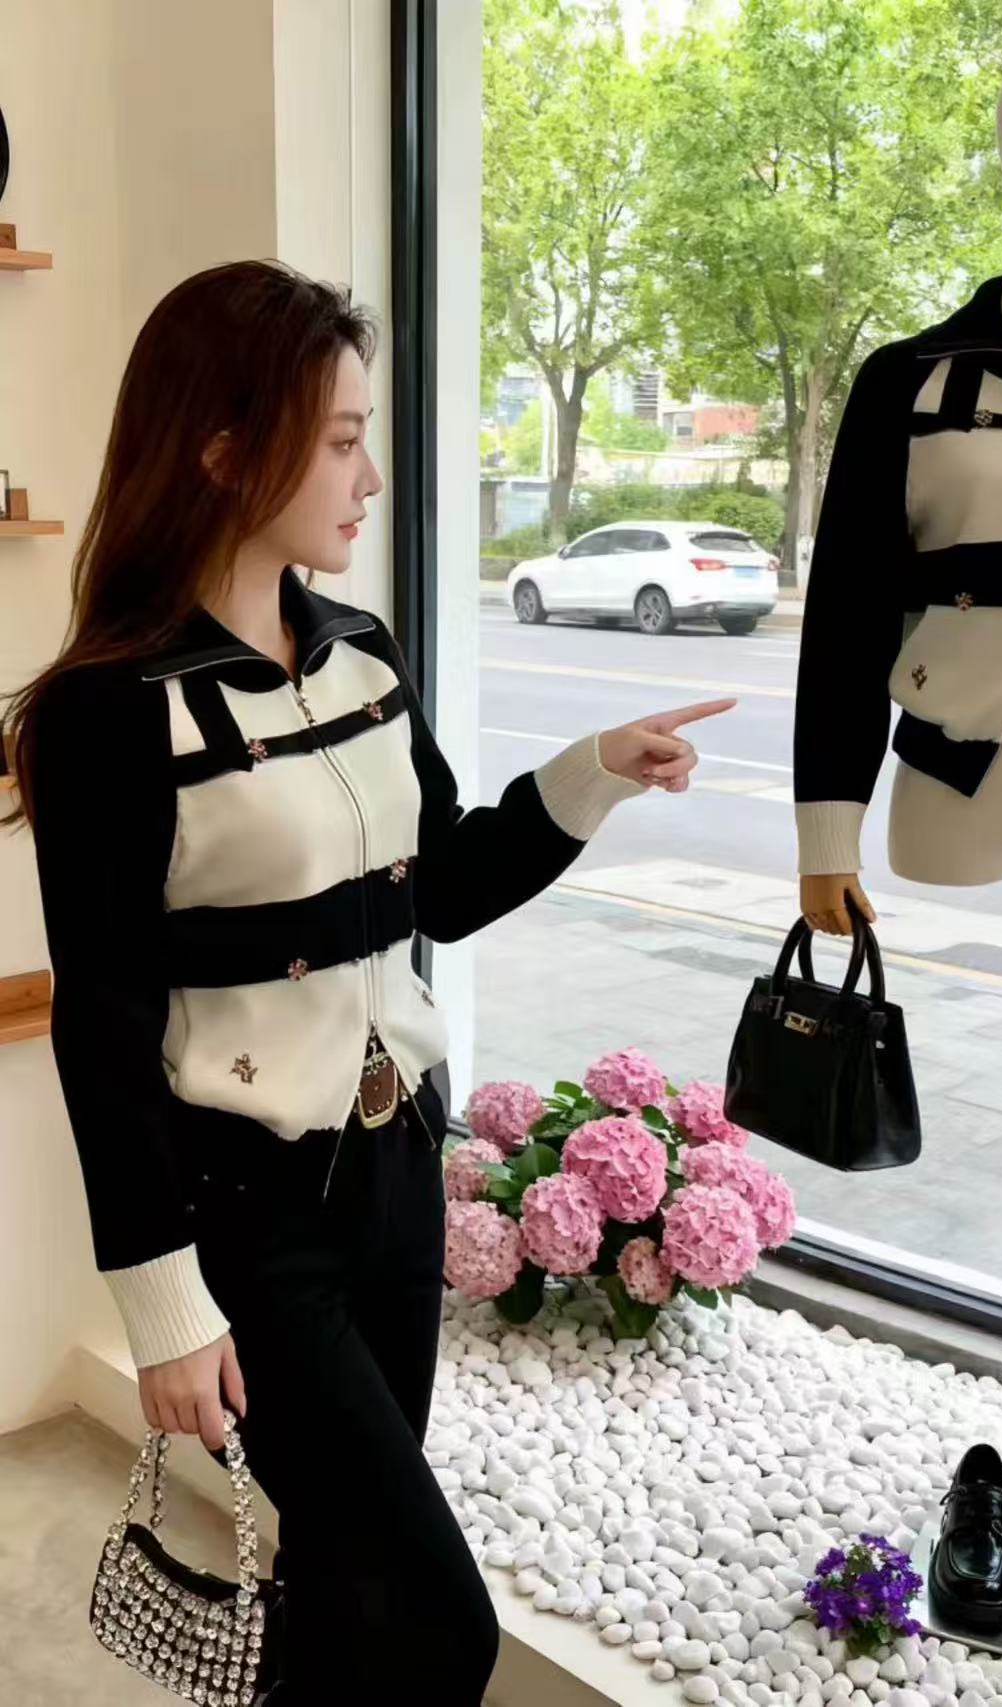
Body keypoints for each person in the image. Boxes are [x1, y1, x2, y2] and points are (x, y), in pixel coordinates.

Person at [4, 259, 734, 1703]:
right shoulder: (108, 713)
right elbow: (105, 1021)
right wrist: (161, 1304)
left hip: (398, 1171)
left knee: (345, 1583)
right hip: (248, 1213)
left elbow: (440, 890)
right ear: (225, 454)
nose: (372, 477)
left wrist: (591, 774)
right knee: (437, 1622)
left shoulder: (362, 654)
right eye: (340, 440)